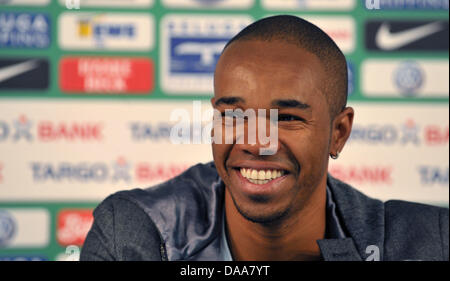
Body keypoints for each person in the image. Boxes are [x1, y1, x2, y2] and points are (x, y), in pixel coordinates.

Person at [80, 15, 449, 261]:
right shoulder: (133, 235)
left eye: (286, 117)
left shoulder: (427, 242)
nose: (256, 143)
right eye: (234, 115)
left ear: (339, 133)